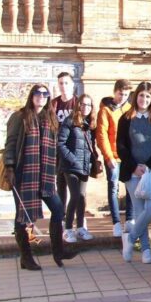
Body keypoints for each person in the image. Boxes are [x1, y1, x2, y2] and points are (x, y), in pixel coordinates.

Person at [3, 84, 76, 270]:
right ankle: (26, 257)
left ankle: (58, 251)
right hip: (24, 175)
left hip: (45, 177)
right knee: (23, 217)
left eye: (45, 94)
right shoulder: (20, 117)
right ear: (31, 96)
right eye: (38, 93)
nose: (41, 97)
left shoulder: (49, 118)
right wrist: (10, 167)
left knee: (58, 210)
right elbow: (11, 143)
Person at [117, 81, 151, 265]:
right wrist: (134, 166)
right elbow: (121, 146)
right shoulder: (125, 118)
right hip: (133, 173)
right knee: (140, 211)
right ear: (136, 96)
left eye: (148, 96)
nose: (144, 99)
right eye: (141, 95)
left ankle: (130, 238)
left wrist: (148, 166)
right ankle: (146, 250)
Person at [57, 93, 97, 243]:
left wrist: (94, 160)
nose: (85, 107)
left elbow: (90, 145)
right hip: (71, 166)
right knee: (74, 196)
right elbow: (60, 143)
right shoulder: (70, 121)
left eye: (89, 105)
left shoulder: (90, 124)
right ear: (78, 105)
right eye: (83, 104)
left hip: (85, 166)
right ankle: (67, 229)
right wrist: (73, 160)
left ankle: (80, 227)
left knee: (81, 197)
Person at [96, 79, 133, 237]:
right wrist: (108, 156)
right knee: (113, 187)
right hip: (112, 155)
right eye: (120, 94)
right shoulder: (105, 110)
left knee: (130, 187)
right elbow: (101, 134)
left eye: (126, 94)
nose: (122, 97)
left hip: (127, 156)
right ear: (114, 92)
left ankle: (130, 219)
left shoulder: (131, 109)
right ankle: (116, 222)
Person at [51, 71, 77, 213]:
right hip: (58, 150)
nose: (63, 86)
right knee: (60, 185)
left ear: (72, 85)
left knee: (76, 188)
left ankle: (78, 220)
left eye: (66, 83)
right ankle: (61, 216)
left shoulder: (78, 103)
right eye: (61, 83)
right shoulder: (54, 104)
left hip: (74, 149)